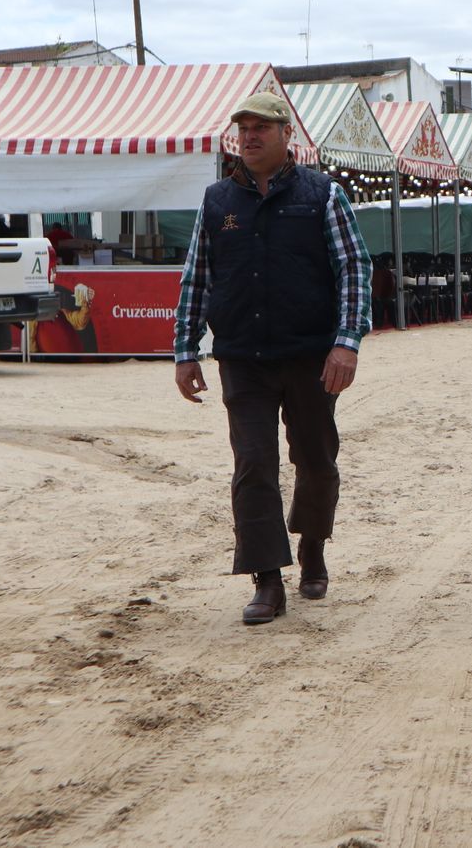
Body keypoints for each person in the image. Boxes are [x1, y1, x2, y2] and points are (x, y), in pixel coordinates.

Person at [173, 91, 373, 626]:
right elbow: (198, 277)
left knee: (315, 460)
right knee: (252, 464)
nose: (251, 136)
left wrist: (346, 342)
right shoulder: (218, 201)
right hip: (242, 356)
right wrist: (185, 350)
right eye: (243, 127)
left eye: (263, 126)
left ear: (288, 135)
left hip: (311, 355)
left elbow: (354, 268)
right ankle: (266, 578)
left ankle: (312, 544)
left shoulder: (323, 194)